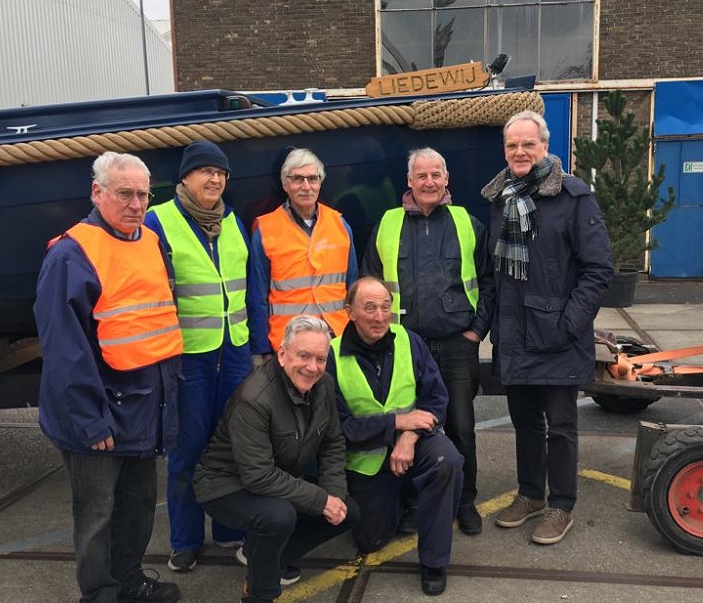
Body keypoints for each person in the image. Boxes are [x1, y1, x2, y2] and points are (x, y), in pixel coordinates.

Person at [35, 151, 182, 603]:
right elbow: (64, 349)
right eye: (125, 194)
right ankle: (100, 593)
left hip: (143, 405)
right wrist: (90, 420)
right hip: (99, 412)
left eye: (143, 194)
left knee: (138, 505)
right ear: (97, 193)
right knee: (97, 514)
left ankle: (129, 580)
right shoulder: (71, 254)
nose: (136, 204)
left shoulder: (151, 242)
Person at [481, 110, 614, 545]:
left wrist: (569, 323)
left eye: (528, 144)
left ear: (544, 146)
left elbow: (598, 270)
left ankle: (561, 505)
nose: (519, 152)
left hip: (557, 336)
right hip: (514, 335)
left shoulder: (574, 198)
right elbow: (496, 273)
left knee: (560, 427)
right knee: (525, 424)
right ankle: (531, 495)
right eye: (512, 145)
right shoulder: (500, 198)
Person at [144, 140, 265, 572]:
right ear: (186, 177)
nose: (215, 180)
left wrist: (256, 347)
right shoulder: (158, 221)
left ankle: (230, 529)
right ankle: (185, 540)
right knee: (187, 450)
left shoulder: (233, 221)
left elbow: (251, 288)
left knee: (231, 446)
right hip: (188, 356)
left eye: (222, 173)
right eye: (206, 172)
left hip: (233, 353)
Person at [361, 147, 494, 536]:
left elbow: (489, 281)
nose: (429, 182)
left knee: (461, 427)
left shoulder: (468, 223)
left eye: (436, 174)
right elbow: (370, 282)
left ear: (446, 179)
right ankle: (413, 502)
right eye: (421, 176)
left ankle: (464, 500)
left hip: (456, 346)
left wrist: (476, 331)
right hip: (403, 345)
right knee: (407, 427)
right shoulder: (387, 224)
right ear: (409, 181)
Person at [194, 315, 360, 603]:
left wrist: (333, 494)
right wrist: (321, 500)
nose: (312, 367)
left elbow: (332, 443)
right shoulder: (256, 397)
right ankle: (260, 593)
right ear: (282, 354)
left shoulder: (323, 385)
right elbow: (258, 475)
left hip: (275, 476)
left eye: (320, 359)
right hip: (225, 484)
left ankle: (263, 556)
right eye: (304, 356)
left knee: (348, 511)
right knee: (279, 516)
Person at [327, 277, 463, 596]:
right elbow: (339, 429)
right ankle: (406, 497)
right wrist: (397, 422)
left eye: (385, 307)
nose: (379, 316)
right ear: (349, 311)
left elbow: (436, 399)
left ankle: (433, 562)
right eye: (369, 308)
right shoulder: (331, 357)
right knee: (370, 540)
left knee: (447, 460)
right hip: (366, 457)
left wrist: (409, 435)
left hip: (414, 443)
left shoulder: (409, 340)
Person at [248, 148, 359, 359]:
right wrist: (261, 350)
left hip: (336, 340)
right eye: (298, 179)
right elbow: (257, 297)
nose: (306, 186)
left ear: (320, 183)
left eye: (312, 179)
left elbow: (353, 288)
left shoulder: (340, 225)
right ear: (285, 184)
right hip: (288, 344)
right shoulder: (265, 229)